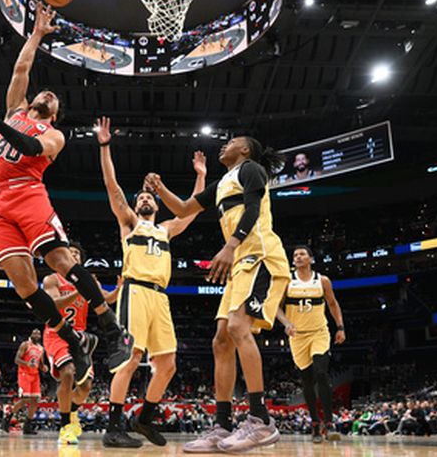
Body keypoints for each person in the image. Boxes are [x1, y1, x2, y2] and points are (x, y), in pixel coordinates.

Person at [0, 1, 133, 386]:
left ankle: (111, 330)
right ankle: (75, 338)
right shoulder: (14, 110)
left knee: (61, 259)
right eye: (46, 93)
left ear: (54, 114)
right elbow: (22, 68)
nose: (48, 95)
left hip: (27, 194)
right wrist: (38, 33)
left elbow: (27, 149)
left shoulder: (55, 135)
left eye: (55, 99)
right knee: (25, 287)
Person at [145, 135, 290, 453]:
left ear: (246, 149)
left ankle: (261, 419)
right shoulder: (224, 182)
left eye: (232, 141)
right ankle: (222, 426)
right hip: (241, 262)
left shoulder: (251, 169)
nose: (224, 144)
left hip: (261, 255)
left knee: (238, 328)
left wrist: (230, 244)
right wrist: (160, 189)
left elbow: (252, 208)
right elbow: (183, 208)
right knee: (221, 340)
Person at [94, 117, 206, 448]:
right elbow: (112, 185)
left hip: (161, 297)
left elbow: (192, 211)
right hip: (135, 291)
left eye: (148, 198)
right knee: (130, 358)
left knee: (168, 365)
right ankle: (113, 427)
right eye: (140, 197)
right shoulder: (129, 223)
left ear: (156, 205)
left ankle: (143, 420)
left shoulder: (166, 229)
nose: (144, 199)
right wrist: (104, 146)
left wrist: (200, 176)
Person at [42, 242, 123, 445]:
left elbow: (107, 300)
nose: (74, 255)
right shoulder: (52, 279)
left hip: (80, 337)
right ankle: (64, 427)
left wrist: (119, 289)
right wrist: (80, 291)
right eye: (71, 252)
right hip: (56, 332)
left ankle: (72, 413)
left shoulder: (88, 281)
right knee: (67, 372)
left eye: (78, 253)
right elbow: (54, 304)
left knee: (85, 387)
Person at [276, 246, 345, 443]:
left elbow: (332, 303)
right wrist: (286, 323)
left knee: (321, 373)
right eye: (295, 255)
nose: (298, 257)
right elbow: (276, 309)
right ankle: (315, 423)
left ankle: (329, 423)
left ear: (311, 259)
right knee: (306, 381)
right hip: (297, 336)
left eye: (302, 254)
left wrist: (340, 327)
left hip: (319, 333)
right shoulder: (287, 281)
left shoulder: (322, 280)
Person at [7, 329, 47, 435]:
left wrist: (44, 367)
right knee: (25, 399)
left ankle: (27, 426)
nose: (37, 335)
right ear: (31, 334)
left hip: (35, 375)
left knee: (35, 401)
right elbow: (16, 360)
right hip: (24, 374)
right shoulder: (25, 344)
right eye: (35, 333)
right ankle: (7, 419)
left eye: (39, 333)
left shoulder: (41, 348)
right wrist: (27, 364)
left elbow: (41, 363)